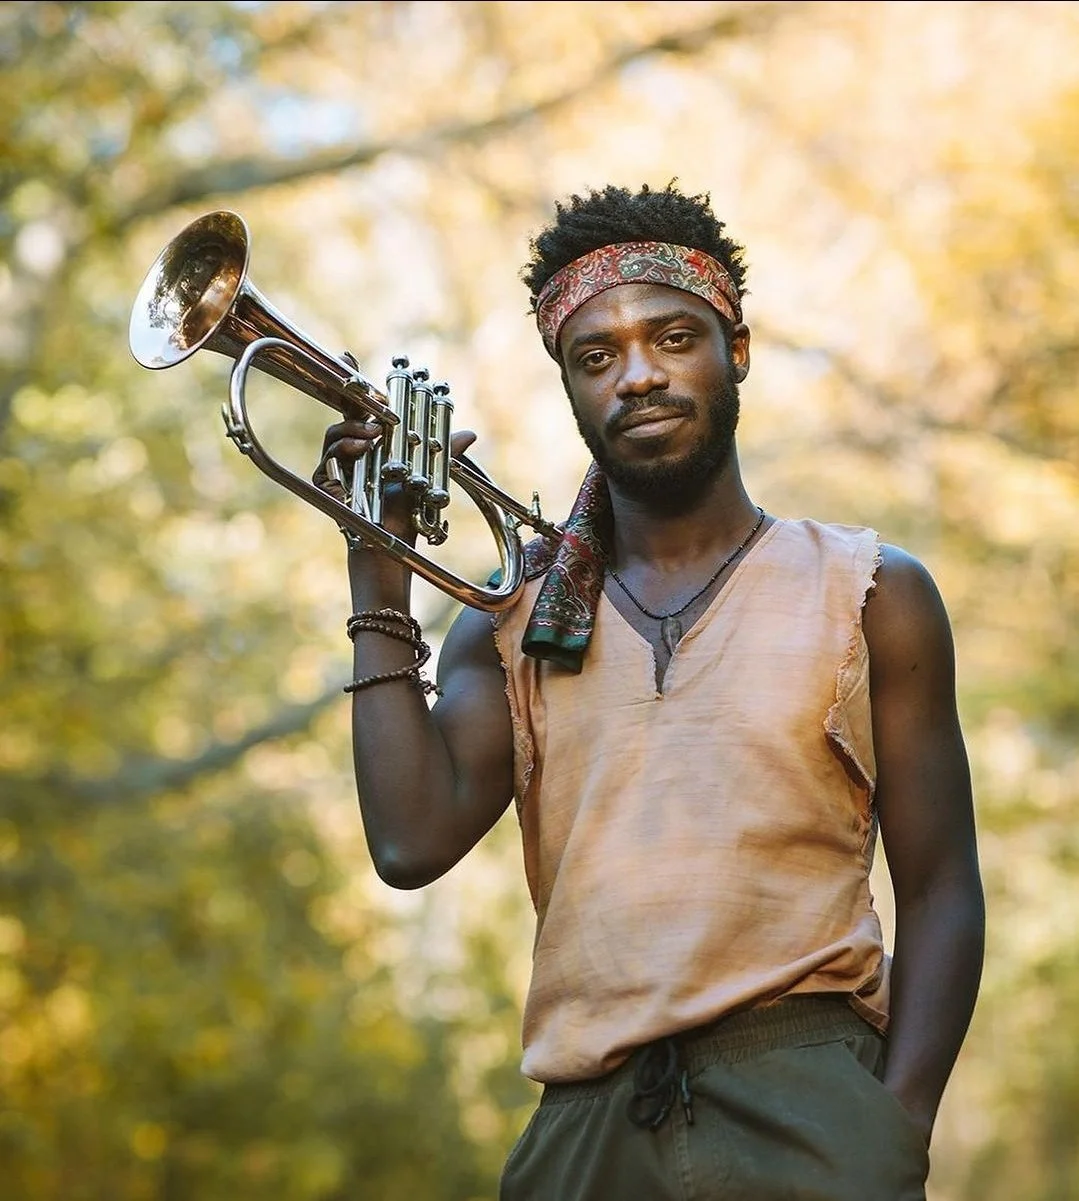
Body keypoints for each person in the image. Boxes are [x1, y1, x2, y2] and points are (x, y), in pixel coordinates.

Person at [313, 182, 985, 1201]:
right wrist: (378, 568)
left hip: (809, 1102)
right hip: (584, 1130)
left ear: (736, 352)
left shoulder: (869, 591)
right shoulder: (511, 618)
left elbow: (938, 886)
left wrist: (894, 1128)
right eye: (595, 356)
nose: (636, 375)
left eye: (671, 338)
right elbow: (409, 843)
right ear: (571, 390)